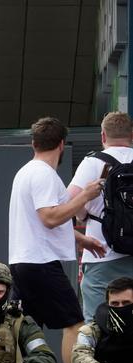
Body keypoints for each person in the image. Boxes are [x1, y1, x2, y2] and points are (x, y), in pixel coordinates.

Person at [8, 116, 104, 363]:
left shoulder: (26, 172)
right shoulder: (43, 174)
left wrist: (82, 240)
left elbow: (42, 221)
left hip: (23, 261)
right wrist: (85, 195)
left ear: (33, 143)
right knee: (75, 324)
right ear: (62, 144)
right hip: (40, 262)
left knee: (27, 329)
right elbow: (50, 217)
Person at [68, 112, 133, 323]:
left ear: (103, 136)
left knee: (97, 324)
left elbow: (70, 201)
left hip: (101, 255)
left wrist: (82, 214)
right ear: (131, 135)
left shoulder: (93, 162)